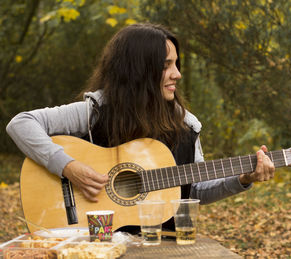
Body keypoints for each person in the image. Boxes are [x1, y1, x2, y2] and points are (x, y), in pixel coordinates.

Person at [6, 23, 275, 232]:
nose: (177, 74)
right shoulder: (96, 111)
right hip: (97, 240)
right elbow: (21, 123)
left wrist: (243, 178)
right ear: (139, 70)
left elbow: (194, 191)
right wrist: (68, 167)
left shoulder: (186, 125)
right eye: (166, 65)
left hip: (161, 246)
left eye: (176, 64)